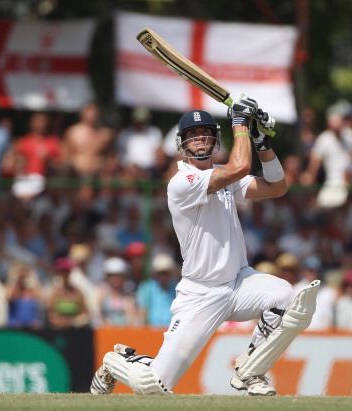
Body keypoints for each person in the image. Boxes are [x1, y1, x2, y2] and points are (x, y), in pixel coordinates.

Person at [91, 95, 320, 396]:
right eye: (192, 135)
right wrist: (241, 123)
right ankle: (116, 360)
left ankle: (251, 371)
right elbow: (239, 166)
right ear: (182, 143)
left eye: (206, 134)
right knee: (153, 387)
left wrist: (262, 143)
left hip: (238, 283)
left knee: (290, 298)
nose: (200, 139)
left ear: (215, 140)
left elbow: (277, 187)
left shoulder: (225, 175)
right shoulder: (183, 181)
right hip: (201, 294)